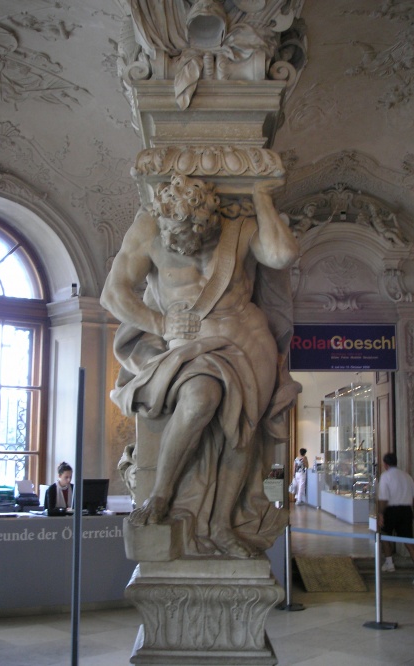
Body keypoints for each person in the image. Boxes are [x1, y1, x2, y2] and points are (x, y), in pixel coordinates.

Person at [100, 173, 300, 558]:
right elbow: (113, 293)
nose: (183, 242)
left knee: (243, 431)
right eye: (175, 233)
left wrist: (261, 196)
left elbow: (281, 255)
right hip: (193, 346)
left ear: (210, 219)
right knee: (199, 400)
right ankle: (160, 496)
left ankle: (223, 524)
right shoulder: (149, 226)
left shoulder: (238, 226)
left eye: (195, 232)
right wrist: (160, 323)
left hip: (249, 340)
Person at [377, 452, 414, 585]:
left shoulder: (385, 476)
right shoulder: (407, 476)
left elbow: (383, 498)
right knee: (408, 541)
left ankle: (389, 562)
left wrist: (380, 514)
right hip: (406, 511)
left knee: (384, 535)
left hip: (391, 510)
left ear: (385, 464)